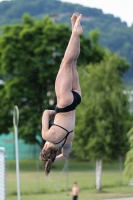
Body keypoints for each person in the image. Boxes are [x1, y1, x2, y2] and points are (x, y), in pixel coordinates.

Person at [40, 13, 83, 176]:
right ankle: (75, 32)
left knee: (72, 63)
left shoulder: (66, 144)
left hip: (76, 99)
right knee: (65, 62)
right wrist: (54, 112)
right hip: (64, 101)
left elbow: (64, 157)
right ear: (45, 146)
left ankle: (75, 28)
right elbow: (46, 112)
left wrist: (52, 160)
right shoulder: (47, 134)